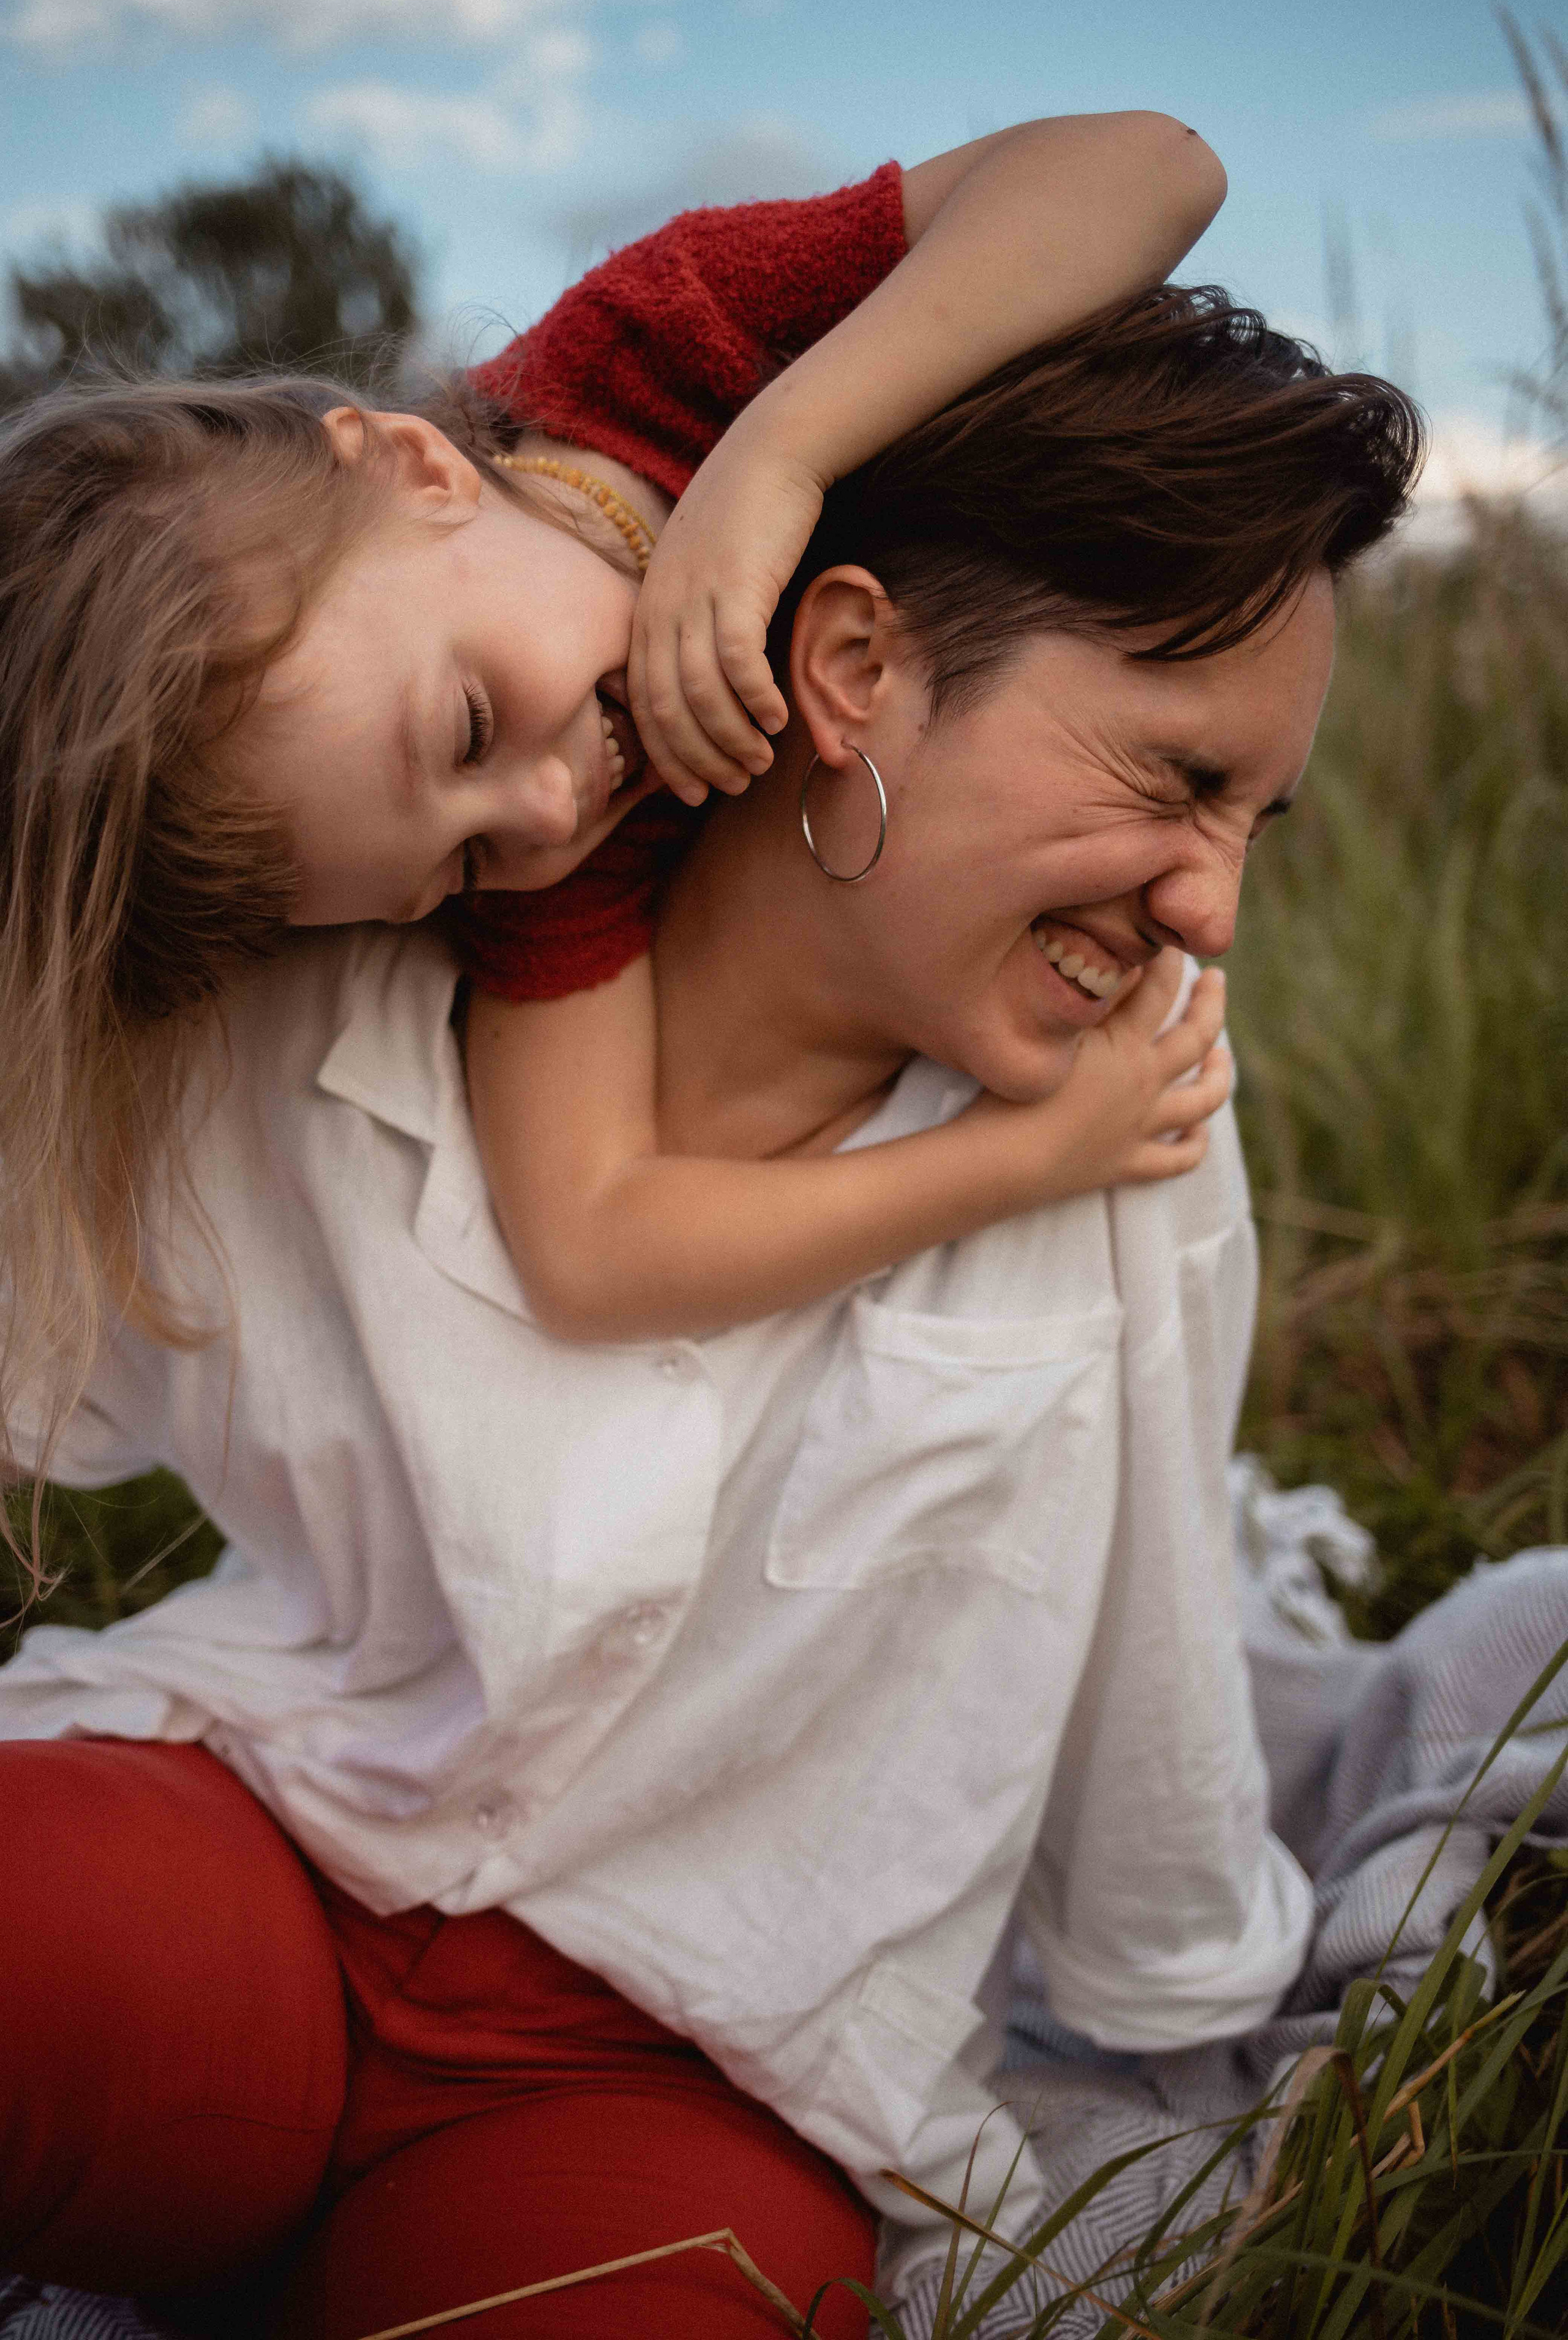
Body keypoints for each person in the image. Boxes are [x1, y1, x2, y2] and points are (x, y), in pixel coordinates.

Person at [0, 215, 1423, 2338]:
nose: (1213, 909)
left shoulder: (1131, 1132)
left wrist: (1188, 1997)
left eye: (1259, 822)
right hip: (265, 1850)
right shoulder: (341, 946)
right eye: (1178, 780)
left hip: (688, 2055)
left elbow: (1147, 1637)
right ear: (852, 667)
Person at [0, 114, 1235, 1539]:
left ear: (412, 472)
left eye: (467, 725)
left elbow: (1153, 171)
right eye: (458, 864)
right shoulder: (558, 879)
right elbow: (588, 1250)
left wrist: (773, 457)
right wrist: (1024, 1160)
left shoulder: (651, 352)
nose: (547, 810)